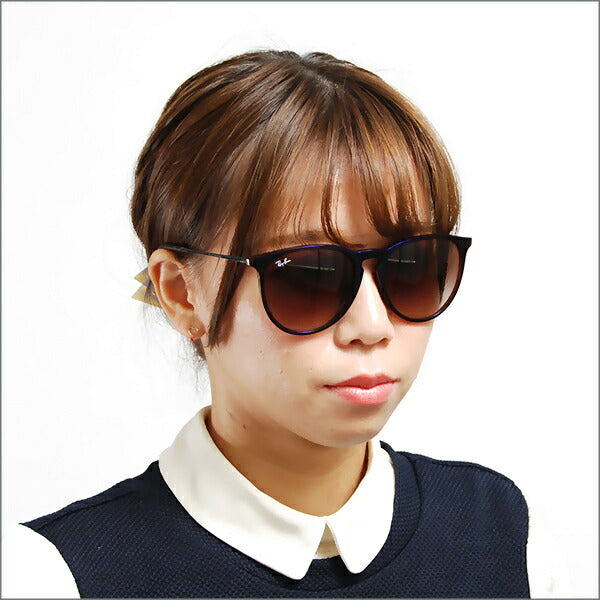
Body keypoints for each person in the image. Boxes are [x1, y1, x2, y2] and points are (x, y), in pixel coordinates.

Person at [2, 49, 532, 598]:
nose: (373, 325)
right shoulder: (55, 577)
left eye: (412, 266)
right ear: (182, 294)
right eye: (309, 275)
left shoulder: (505, 536)